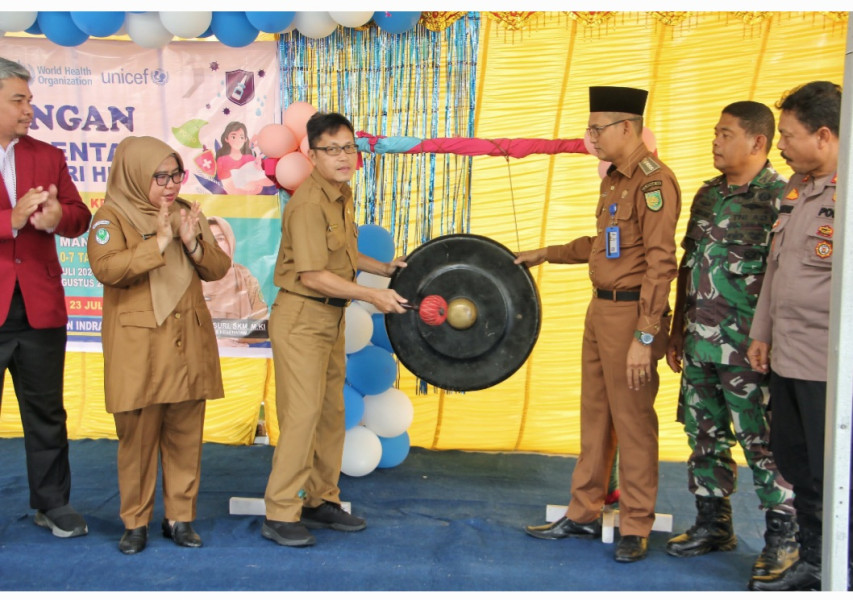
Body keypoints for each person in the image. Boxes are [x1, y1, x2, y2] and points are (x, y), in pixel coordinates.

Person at [516, 86, 681, 562]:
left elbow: (660, 264)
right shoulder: (614, 180)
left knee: (633, 422)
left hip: (633, 315)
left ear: (626, 128)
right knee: (595, 418)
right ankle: (583, 512)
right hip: (600, 310)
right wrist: (545, 253)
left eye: (597, 129)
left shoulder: (654, 183)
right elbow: (604, 244)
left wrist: (645, 336)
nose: (590, 137)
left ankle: (635, 524)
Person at [664, 101, 797, 582]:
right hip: (700, 342)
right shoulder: (707, 195)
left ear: (757, 142)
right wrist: (677, 330)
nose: (715, 142)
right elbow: (689, 264)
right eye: (715, 133)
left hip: (749, 350)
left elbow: (786, 280)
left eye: (725, 134)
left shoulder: (782, 198)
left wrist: (773, 341)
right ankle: (713, 524)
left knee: (763, 443)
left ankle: (783, 538)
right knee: (703, 435)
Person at [262, 112, 407, 548]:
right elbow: (313, 274)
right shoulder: (308, 204)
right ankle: (280, 511)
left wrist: (384, 269)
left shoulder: (340, 195)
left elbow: (342, 254)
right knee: (302, 416)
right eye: (332, 150)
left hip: (330, 317)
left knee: (330, 412)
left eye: (349, 148)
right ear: (312, 155)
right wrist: (373, 296)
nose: (343, 157)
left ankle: (320, 499)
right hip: (302, 318)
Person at [88, 136, 231, 555]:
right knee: (137, 440)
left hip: (187, 345)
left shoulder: (186, 212)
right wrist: (160, 242)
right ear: (135, 175)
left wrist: (192, 242)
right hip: (140, 349)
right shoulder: (110, 217)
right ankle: (135, 523)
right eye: (160, 177)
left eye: (176, 175)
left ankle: (180, 518)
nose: (170, 185)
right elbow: (108, 268)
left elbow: (218, 268)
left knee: (186, 435)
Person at [746, 81, 842, 591]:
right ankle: (813, 562)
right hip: (787, 356)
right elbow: (777, 269)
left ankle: (839, 566)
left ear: (823, 136)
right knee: (795, 463)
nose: (779, 144)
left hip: (831, 366)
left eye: (787, 135)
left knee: (832, 475)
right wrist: (761, 332)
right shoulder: (797, 189)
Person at [0, 57, 91, 538]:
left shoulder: (47, 154)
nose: (28, 109)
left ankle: (52, 503)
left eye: (30, 99)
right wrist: (11, 220)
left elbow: (79, 216)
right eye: (18, 99)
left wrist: (59, 218)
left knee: (47, 412)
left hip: (39, 306)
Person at [202, 216, 268, 345]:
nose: (215, 245)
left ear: (230, 241)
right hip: (200, 352)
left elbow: (262, 327)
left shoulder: (246, 279)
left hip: (236, 354)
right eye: (209, 239)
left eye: (220, 239)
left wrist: (232, 338)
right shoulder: (190, 278)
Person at [215, 121, 272, 195]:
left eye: (241, 137)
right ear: (226, 138)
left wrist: (256, 183)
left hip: (253, 198)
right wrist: (250, 189)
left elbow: (260, 182)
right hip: (234, 198)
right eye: (233, 137)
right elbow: (228, 187)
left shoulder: (250, 158)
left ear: (245, 139)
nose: (238, 140)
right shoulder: (222, 161)